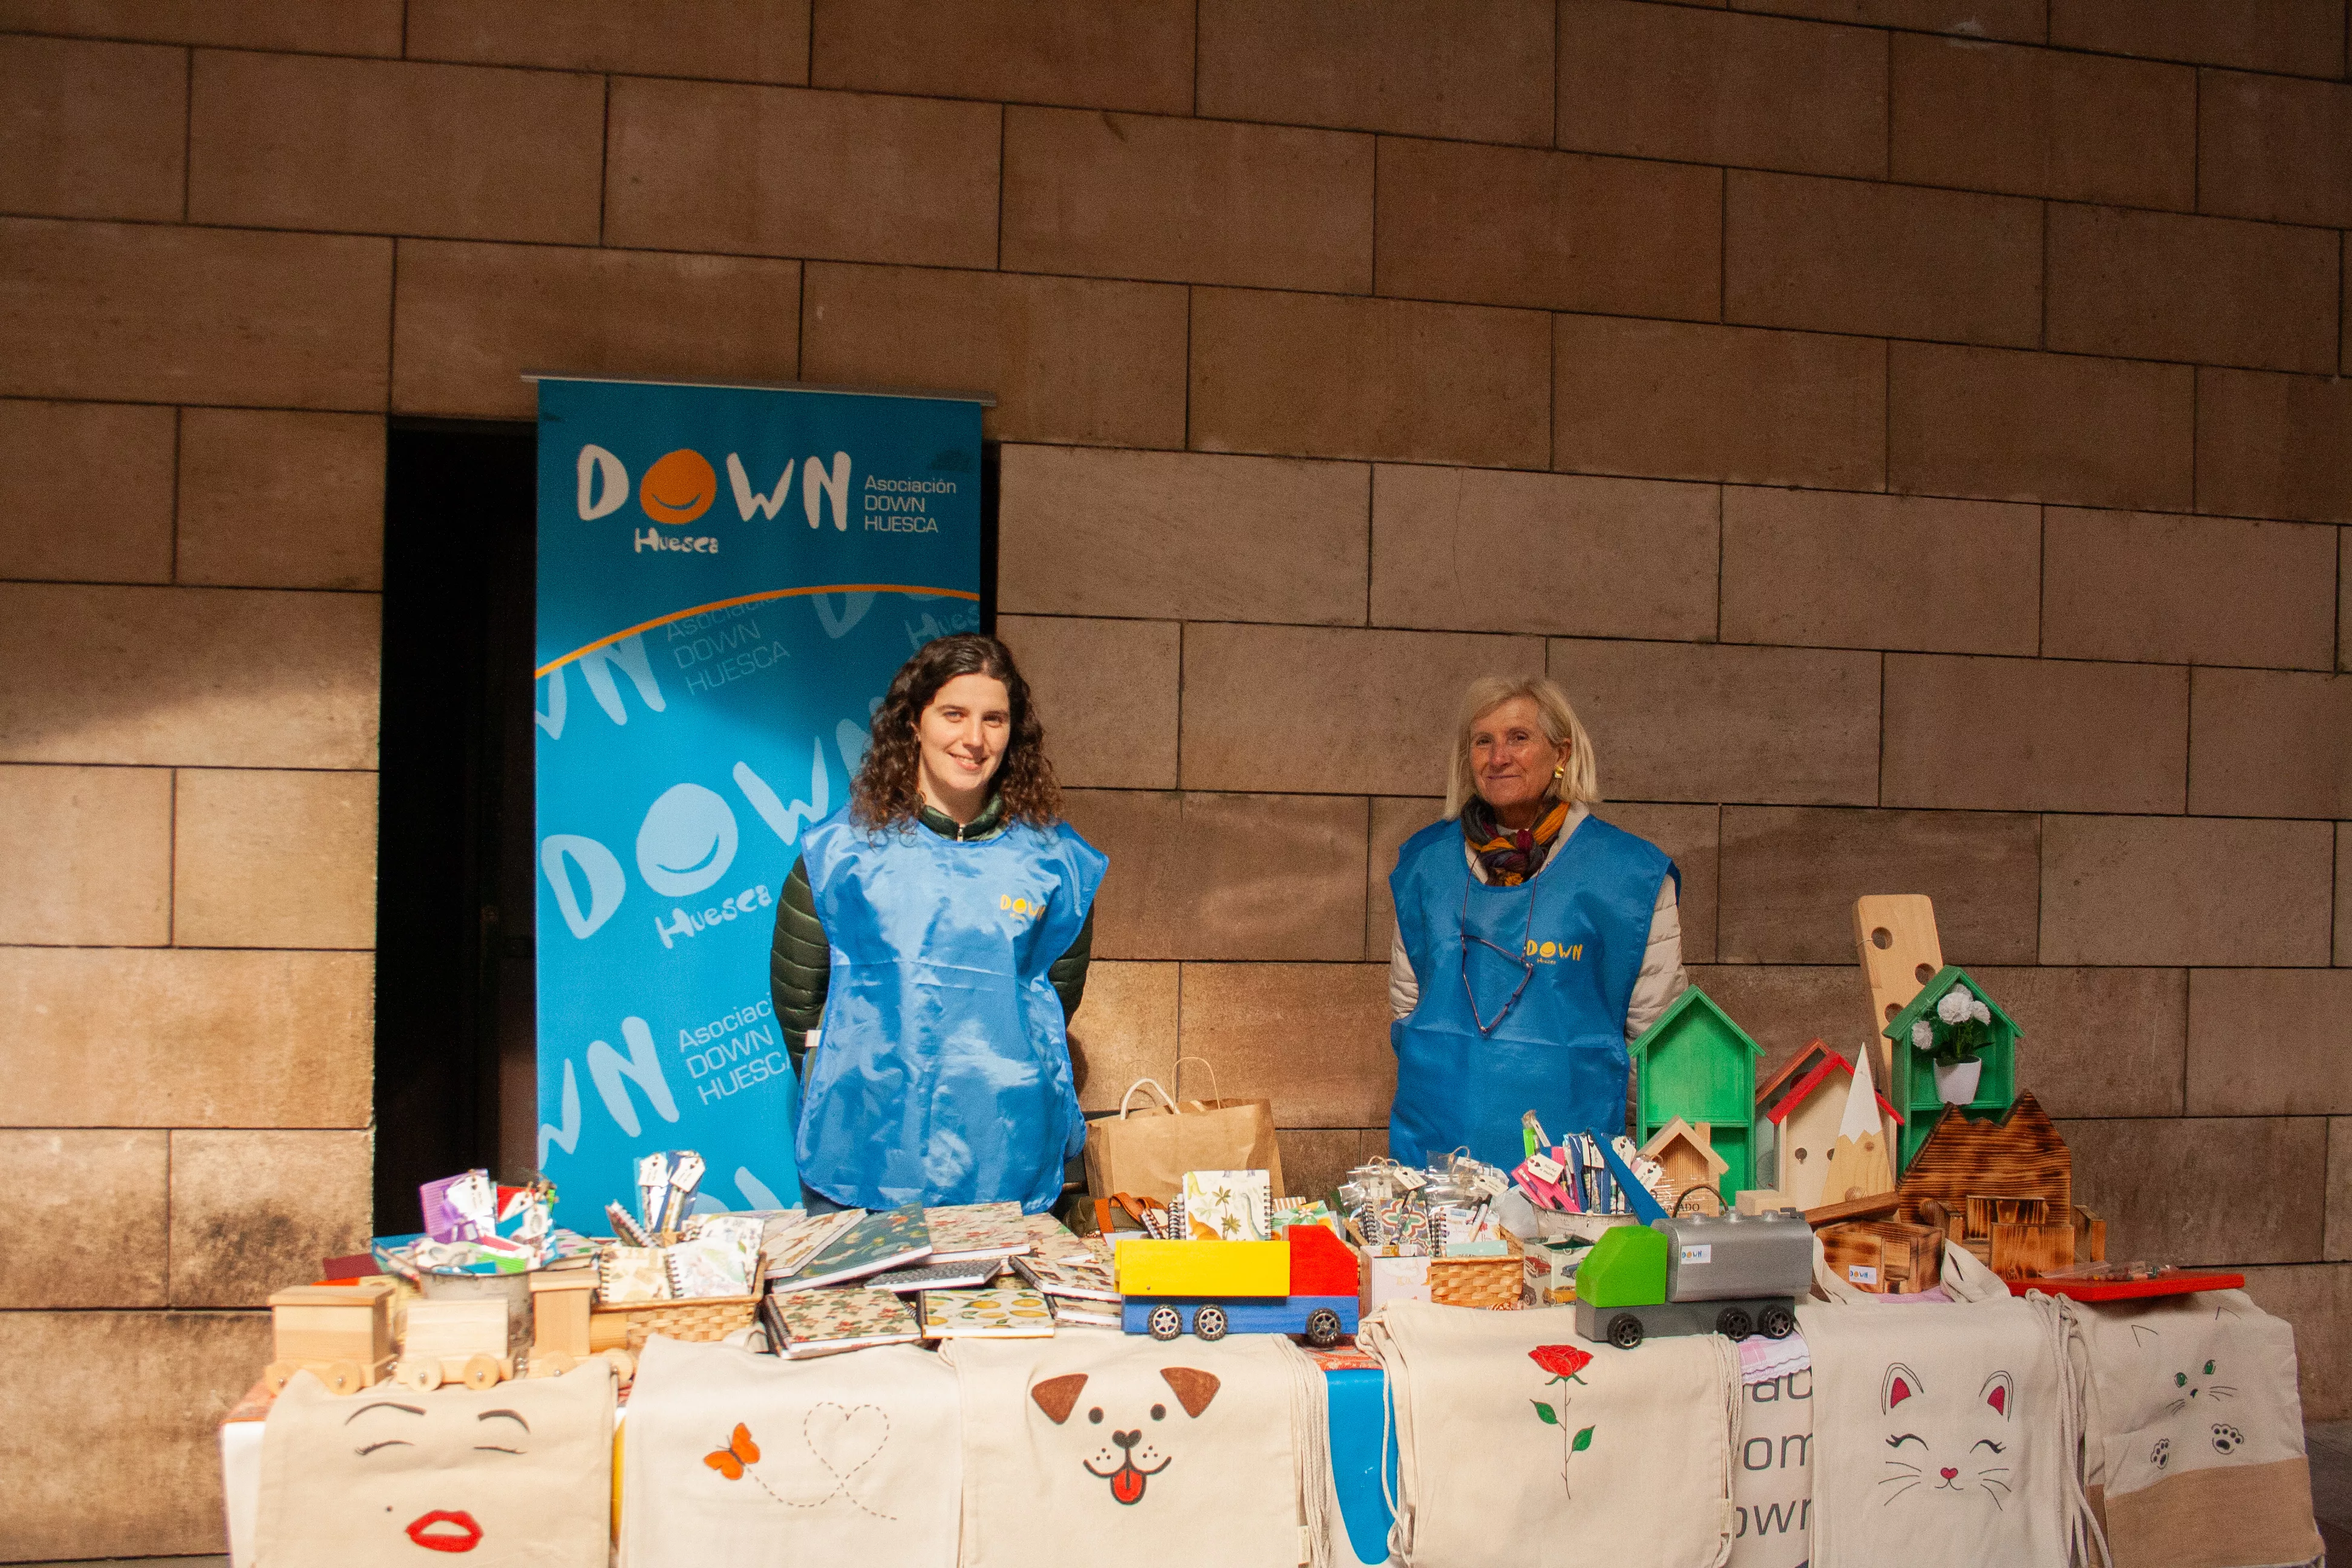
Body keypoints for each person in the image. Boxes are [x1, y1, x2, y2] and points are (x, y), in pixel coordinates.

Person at [768, 633, 1104, 1214]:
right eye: (954, 714)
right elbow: (798, 1003)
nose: (974, 739)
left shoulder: (1057, 865)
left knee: (1000, 1311)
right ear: (915, 724)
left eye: (993, 719)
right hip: (861, 1160)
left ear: (1013, 732)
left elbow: (1056, 1000)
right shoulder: (838, 852)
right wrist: (860, 1081)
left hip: (1007, 1160)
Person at [1387, 675, 1687, 1172]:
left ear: (1561, 753)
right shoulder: (1424, 867)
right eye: (1483, 741)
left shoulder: (1629, 876)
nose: (1497, 757)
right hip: (1440, 1167)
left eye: (1518, 738)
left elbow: (1656, 1042)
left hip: (1572, 1169)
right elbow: (1407, 1011)